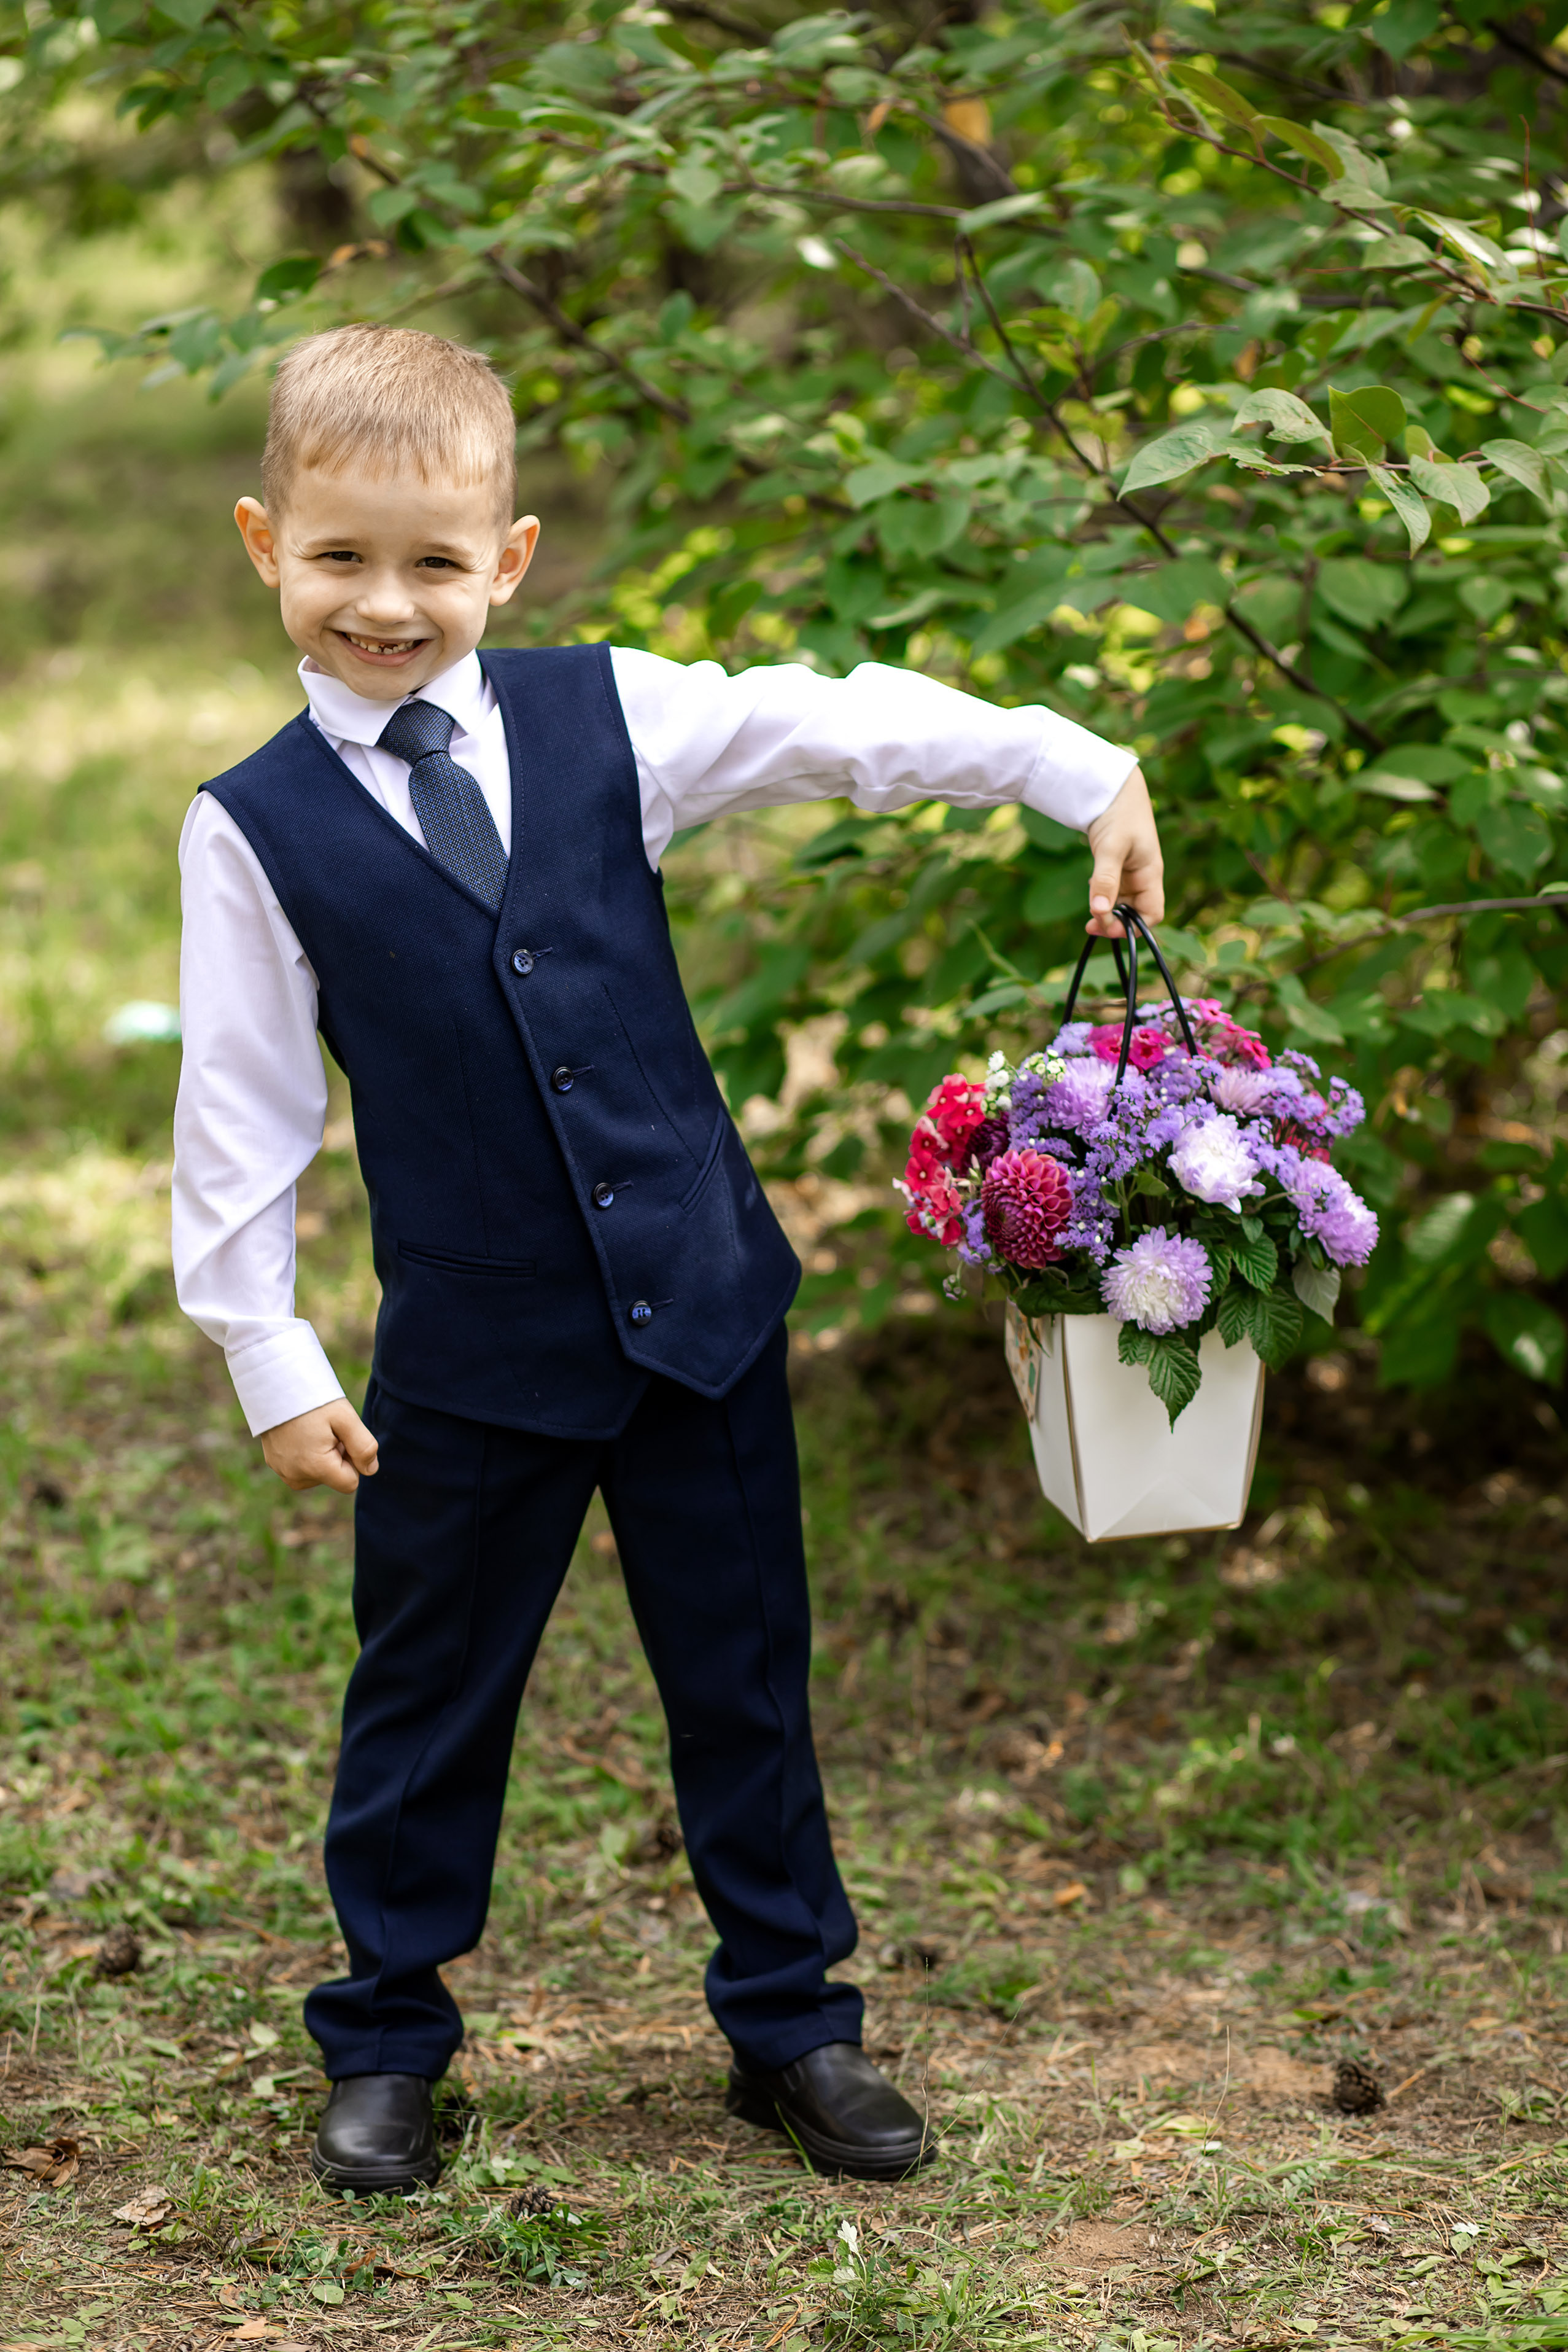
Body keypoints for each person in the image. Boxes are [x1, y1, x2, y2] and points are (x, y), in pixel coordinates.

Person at [172, 323, 1165, 2194]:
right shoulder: (252, 829)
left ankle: (791, 2021)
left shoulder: (603, 716)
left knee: (742, 1677)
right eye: (340, 561)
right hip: (469, 1355)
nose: (387, 605)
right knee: (427, 1692)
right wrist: (267, 1352)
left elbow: (833, 724)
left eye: (435, 565)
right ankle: (388, 2032)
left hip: (700, 1315)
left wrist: (1065, 761)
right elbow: (237, 1110)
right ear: (263, 544)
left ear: (511, 558)